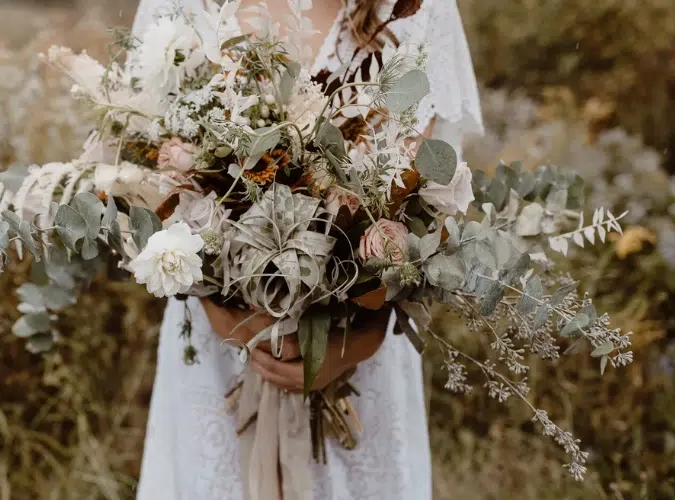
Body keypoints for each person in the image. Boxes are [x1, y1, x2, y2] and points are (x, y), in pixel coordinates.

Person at [132, 1, 483, 498]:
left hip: (358, 344)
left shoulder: (415, 9)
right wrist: (228, 316)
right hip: (218, 346)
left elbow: (422, 195)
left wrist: (354, 344)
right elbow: (149, 174)